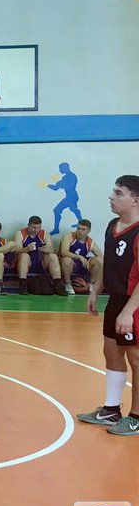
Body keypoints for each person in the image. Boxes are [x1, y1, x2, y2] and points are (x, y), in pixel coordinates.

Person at [77, 175, 139, 437]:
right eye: (113, 192)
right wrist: (95, 290)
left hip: (133, 302)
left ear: (136, 200)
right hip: (115, 299)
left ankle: (136, 417)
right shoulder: (112, 226)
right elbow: (108, 263)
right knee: (111, 352)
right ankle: (111, 409)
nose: (111, 197)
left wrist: (128, 312)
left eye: (119, 193)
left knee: (135, 357)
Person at [13, 215, 62, 295]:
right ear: (28, 225)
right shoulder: (20, 233)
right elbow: (16, 250)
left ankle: (58, 284)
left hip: (40, 262)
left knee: (53, 256)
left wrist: (44, 248)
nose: (36, 230)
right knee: (24, 256)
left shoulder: (44, 233)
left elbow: (52, 250)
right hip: (26, 263)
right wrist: (27, 249)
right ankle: (22, 283)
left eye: (38, 227)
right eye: (33, 227)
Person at [60, 219, 103, 295]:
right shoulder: (69, 236)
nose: (80, 231)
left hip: (82, 264)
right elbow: (64, 252)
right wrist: (79, 257)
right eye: (78, 228)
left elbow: (100, 256)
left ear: (88, 230)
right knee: (66, 260)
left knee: (98, 261)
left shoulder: (90, 242)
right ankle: (67, 283)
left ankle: (91, 283)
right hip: (70, 263)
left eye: (83, 229)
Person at [47, 162, 83, 235]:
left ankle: (81, 223)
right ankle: (56, 229)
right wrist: (49, 185)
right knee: (59, 210)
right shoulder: (64, 178)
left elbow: (71, 186)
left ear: (65, 168)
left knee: (72, 209)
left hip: (72, 197)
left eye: (61, 169)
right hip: (69, 197)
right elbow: (56, 188)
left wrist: (63, 184)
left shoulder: (72, 176)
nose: (60, 171)